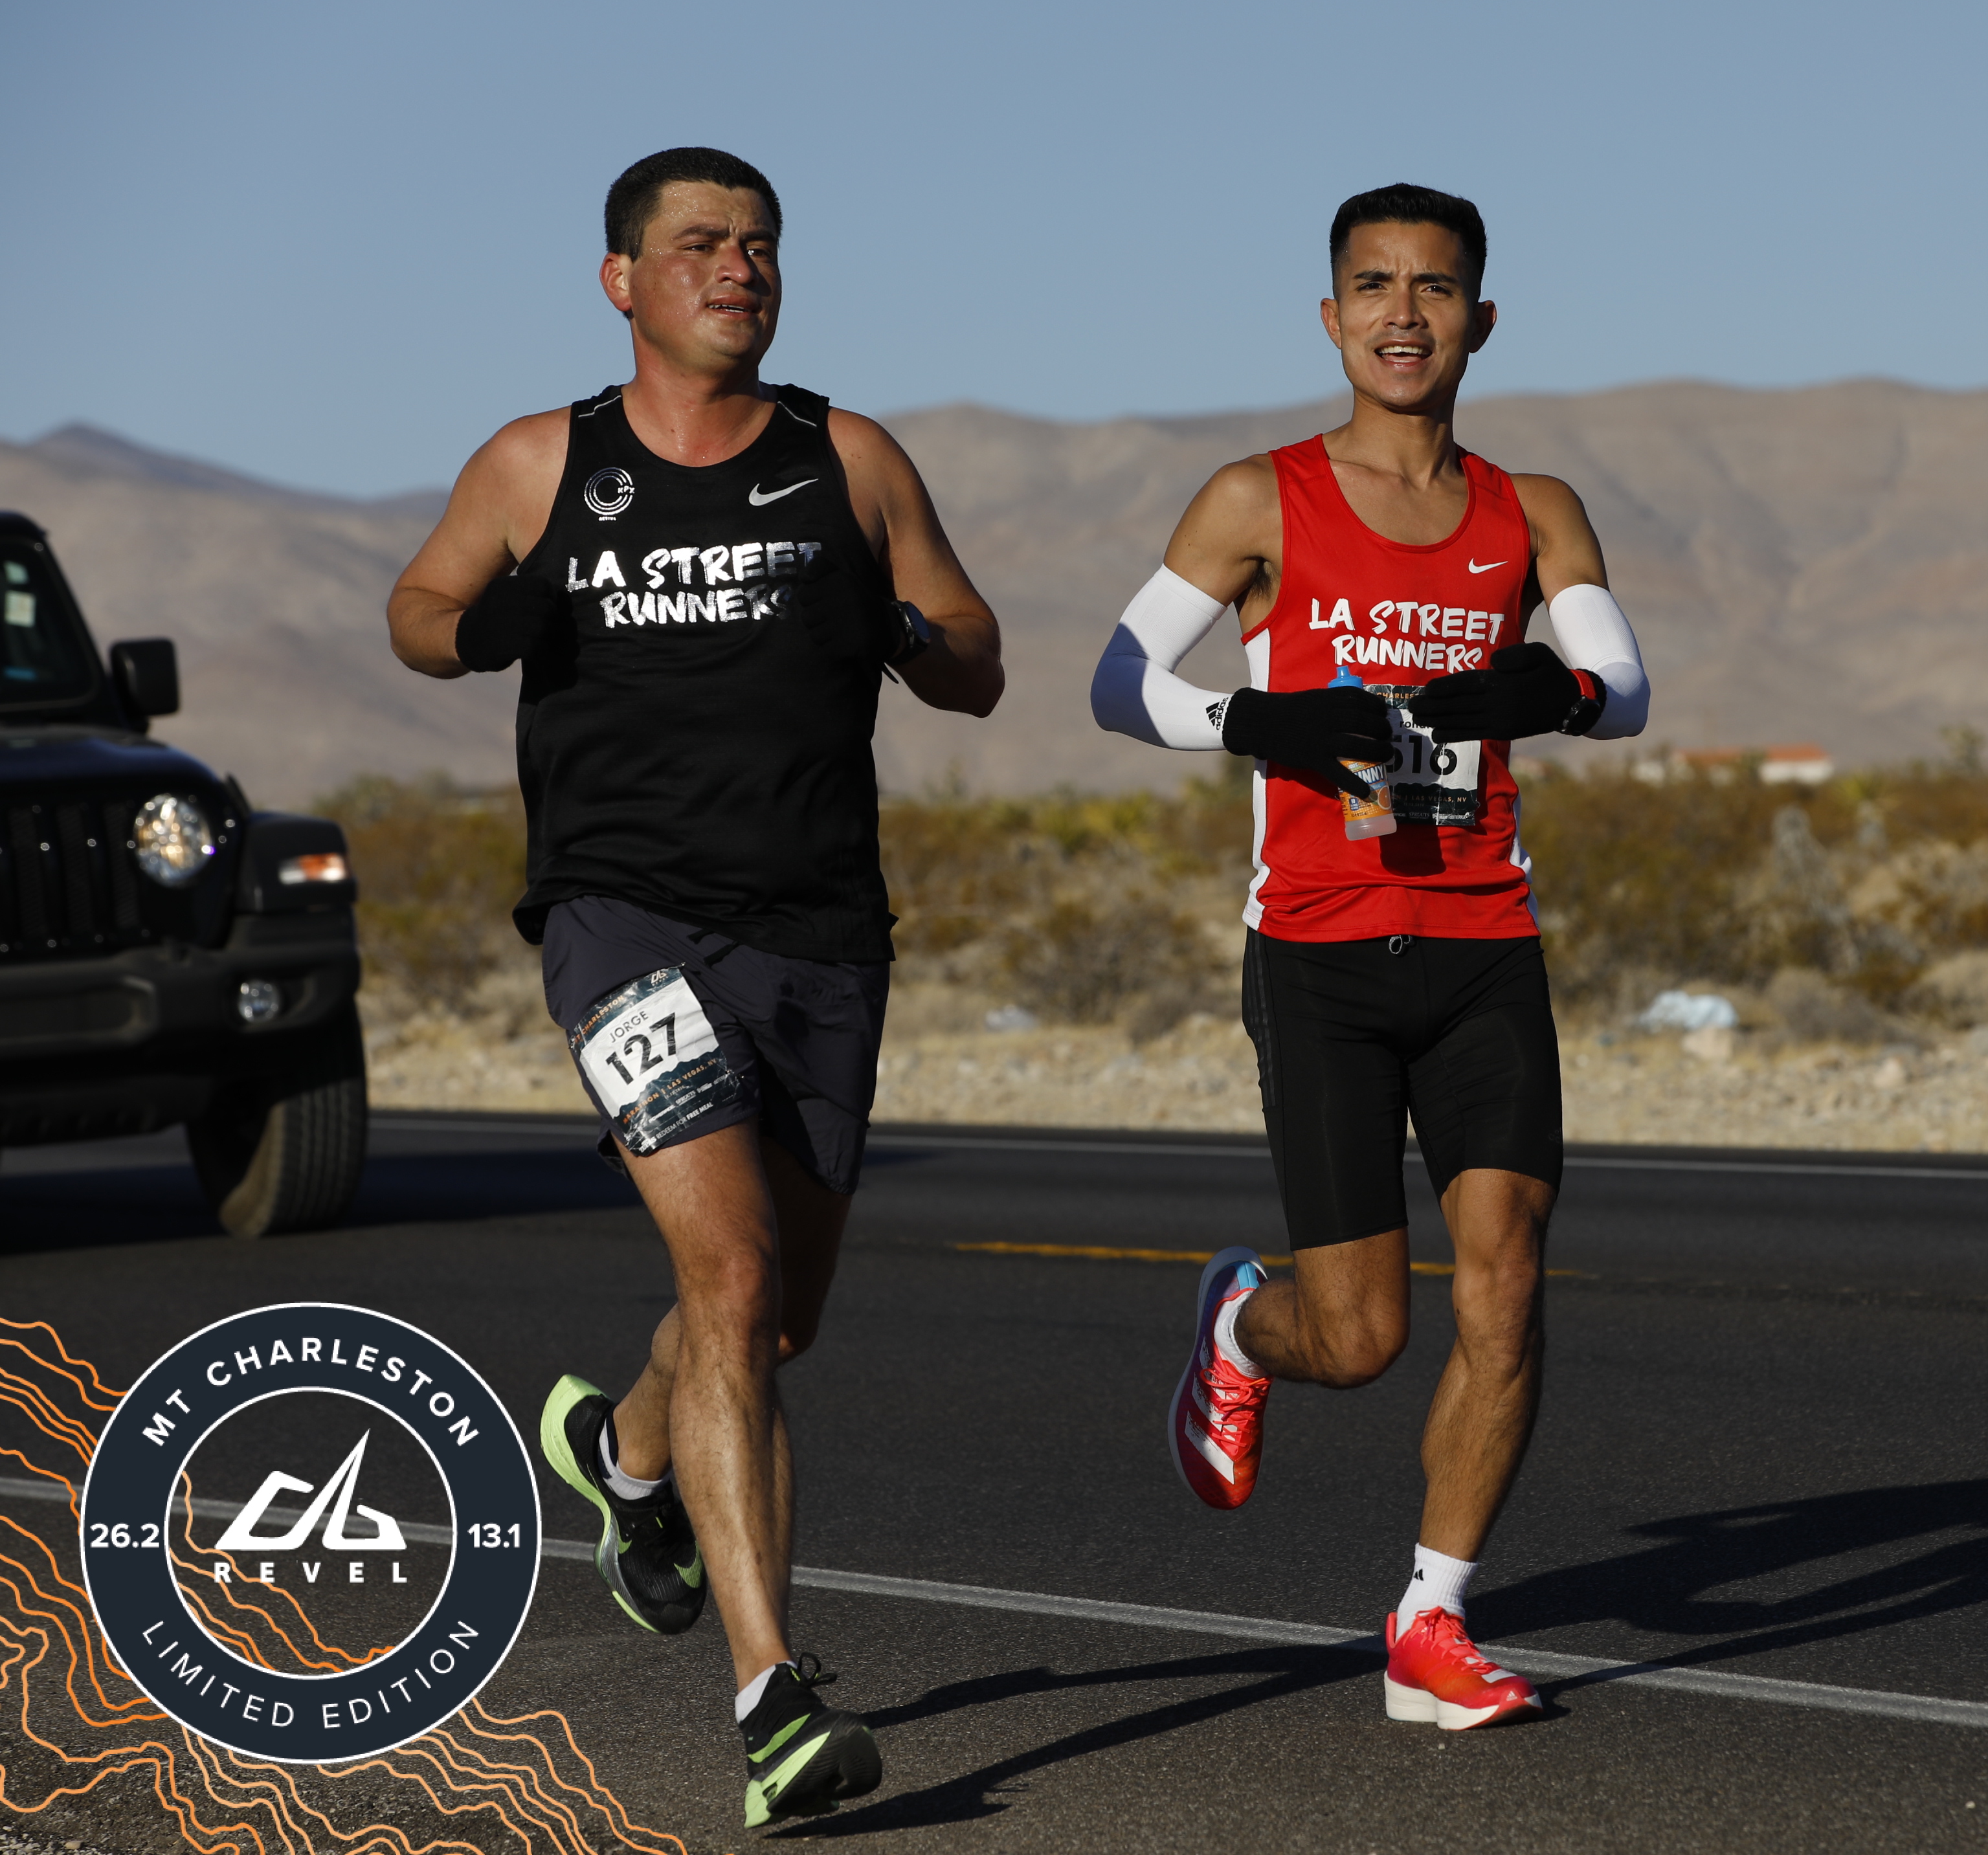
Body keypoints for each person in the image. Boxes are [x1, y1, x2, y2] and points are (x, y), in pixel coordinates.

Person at [385, 146, 1004, 1825]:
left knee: (774, 1314)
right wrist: (489, 620)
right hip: (621, 923)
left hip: (820, 932)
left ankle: (623, 1450)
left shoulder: (848, 459)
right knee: (729, 1278)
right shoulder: (543, 460)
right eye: (702, 244)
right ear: (623, 281)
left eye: (761, 245)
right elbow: (418, 611)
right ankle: (771, 1702)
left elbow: (976, 659)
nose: (740, 267)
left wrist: (903, 630)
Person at [1089, 182, 1649, 1730]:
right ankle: (1239, 1325)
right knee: (1359, 1338)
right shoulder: (1257, 497)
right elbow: (1121, 679)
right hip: (1321, 954)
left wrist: (1551, 693)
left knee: (1507, 1284)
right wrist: (1256, 718)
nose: (1407, 313)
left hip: (1483, 944)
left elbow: (1624, 684)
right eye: (1377, 286)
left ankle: (1429, 1623)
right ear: (1332, 318)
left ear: (1482, 319)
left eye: (1437, 287)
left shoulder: (1534, 510)